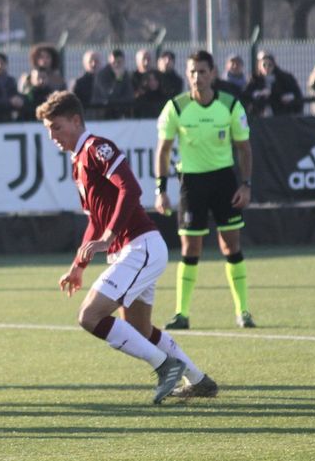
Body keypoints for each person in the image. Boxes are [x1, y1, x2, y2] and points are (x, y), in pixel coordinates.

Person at [36, 90, 215, 403]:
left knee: (89, 316)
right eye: (49, 129)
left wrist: (109, 236)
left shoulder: (96, 147)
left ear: (76, 121)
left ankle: (164, 367)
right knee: (139, 328)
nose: (52, 135)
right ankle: (199, 380)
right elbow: (94, 219)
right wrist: (78, 266)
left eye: (56, 127)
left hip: (140, 247)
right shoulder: (78, 162)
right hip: (133, 250)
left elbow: (130, 188)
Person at [155, 50, 255, 332]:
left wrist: (246, 185)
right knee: (190, 247)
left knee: (231, 245)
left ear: (213, 73)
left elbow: (244, 148)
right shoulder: (176, 107)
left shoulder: (230, 105)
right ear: (187, 75)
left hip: (224, 181)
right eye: (192, 72)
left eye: (202, 71)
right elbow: (162, 151)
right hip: (191, 183)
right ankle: (181, 314)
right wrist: (161, 189)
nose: (197, 77)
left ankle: (243, 311)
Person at [243, 51, 302, 116]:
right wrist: (259, 93)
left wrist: (289, 96)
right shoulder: (254, 79)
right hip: (260, 117)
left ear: (274, 65)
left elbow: (296, 93)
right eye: (264, 65)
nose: (267, 68)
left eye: (270, 65)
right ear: (259, 66)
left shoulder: (284, 78)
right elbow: (247, 94)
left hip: (280, 114)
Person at [91, 49, 134, 119]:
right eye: (114, 62)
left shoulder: (125, 74)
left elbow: (129, 96)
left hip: (120, 114)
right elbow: (109, 96)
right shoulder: (102, 75)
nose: (116, 65)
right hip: (102, 115)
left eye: (119, 62)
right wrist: (118, 79)